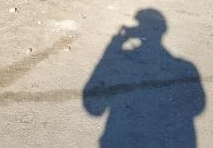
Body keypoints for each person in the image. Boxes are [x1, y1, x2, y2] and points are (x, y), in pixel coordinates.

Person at [83, 9, 205, 148]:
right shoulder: (185, 67)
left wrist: (113, 46)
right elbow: (198, 107)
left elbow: (94, 109)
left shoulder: (123, 62)